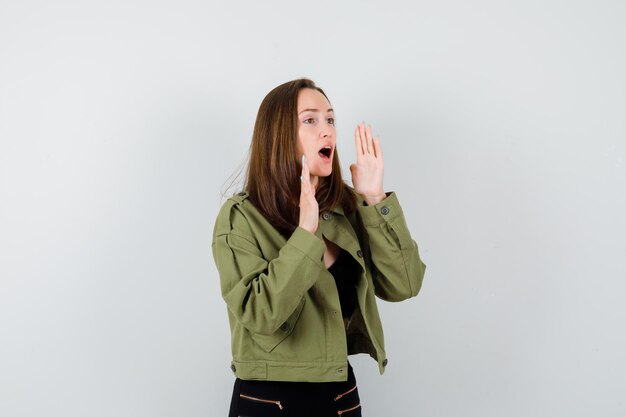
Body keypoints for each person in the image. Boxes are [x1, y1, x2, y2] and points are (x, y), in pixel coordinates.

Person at [211, 78, 426, 417]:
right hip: (269, 400)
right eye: (310, 120)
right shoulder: (241, 216)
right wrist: (305, 233)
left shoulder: (350, 207)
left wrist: (374, 198)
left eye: (330, 119)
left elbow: (405, 285)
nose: (327, 131)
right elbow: (259, 314)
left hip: (340, 395)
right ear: (278, 135)